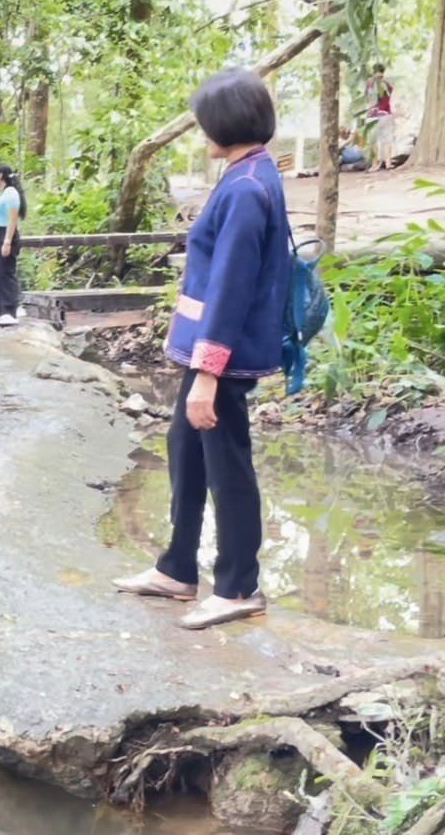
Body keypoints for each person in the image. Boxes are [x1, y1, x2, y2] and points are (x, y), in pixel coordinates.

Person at [114, 68, 291, 631]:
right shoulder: (247, 173)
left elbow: (233, 285)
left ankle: (239, 585)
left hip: (224, 357)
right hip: (210, 355)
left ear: (226, 123)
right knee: (185, 451)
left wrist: (210, 374)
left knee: (226, 464)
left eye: (204, 123)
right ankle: (177, 569)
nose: (200, 132)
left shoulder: (246, 189)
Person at [0, 164, 26, 326]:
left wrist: (7, 241)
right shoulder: (4, 193)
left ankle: (9, 311)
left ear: (1, 175)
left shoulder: (11, 193)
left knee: (7, 273)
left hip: (6, 235)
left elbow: (13, 220)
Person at [363, 63, 396, 170]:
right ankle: (388, 163)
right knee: (387, 140)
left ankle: (375, 164)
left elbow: (367, 98)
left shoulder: (369, 83)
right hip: (385, 114)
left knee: (373, 141)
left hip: (372, 115)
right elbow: (390, 94)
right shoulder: (388, 83)